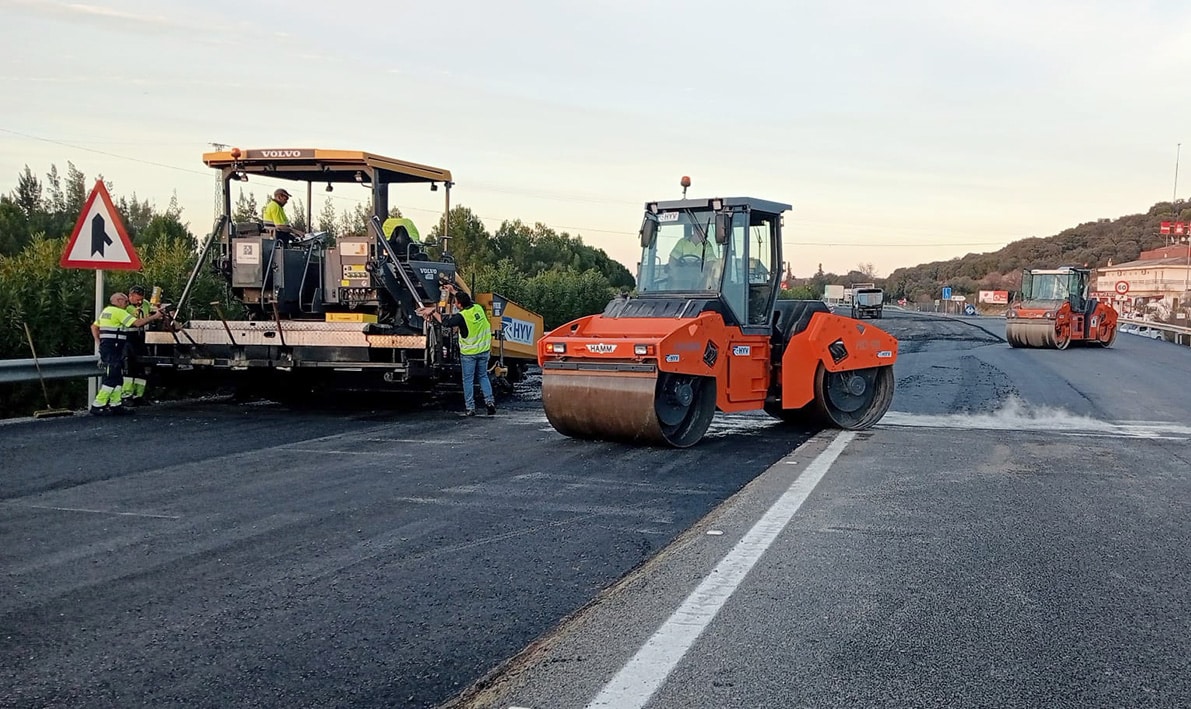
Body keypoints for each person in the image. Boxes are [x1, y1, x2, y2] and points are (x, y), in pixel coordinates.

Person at [416, 288, 496, 416]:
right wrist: (453, 291)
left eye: (455, 302)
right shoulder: (478, 308)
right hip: (484, 351)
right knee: (483, 376)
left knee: (468, 380)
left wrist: (433, 311)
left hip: (469, 354)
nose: (454, 305)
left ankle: (470, 408)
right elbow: (467, 300)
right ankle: (490, 402)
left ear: (459, 304)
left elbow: (446, 322)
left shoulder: (461, 317)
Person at [90, 292, 163, 415]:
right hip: (113, 347)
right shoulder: (119, 312)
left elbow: (94, 327)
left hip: (109, 346)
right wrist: (155, 316)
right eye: (125, 302)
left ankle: (115, 404)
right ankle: (98, 404)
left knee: (118, 377)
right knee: (113, 376)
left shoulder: (106, 311)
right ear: (118, 301)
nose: (126, 304)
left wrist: (99, 341)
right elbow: (137, 323)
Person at [121, 286, 156, 405]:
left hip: (142, 337)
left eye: (141, 299)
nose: (139, 302)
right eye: (137, 300)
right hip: (128, 337)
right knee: (129, 367)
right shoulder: (125, 307)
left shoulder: (145, 304)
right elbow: (135, 323)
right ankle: (127, 395)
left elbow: (151, 312)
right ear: (130, 296)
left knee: (143, 367)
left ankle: (139, 395)